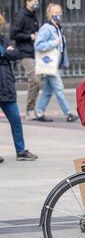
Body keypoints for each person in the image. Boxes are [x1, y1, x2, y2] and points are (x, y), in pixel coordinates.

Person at [0, 14, 38, 162]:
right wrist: (5, 52)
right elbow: (8, 53)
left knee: (16, 119)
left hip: (6, 85)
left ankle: (21, 151)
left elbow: (15, 53)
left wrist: (5, 52)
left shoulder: (4, 38)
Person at [34, 3, 79, 123]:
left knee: (48, 91)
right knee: (59, 89)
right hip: (50, 65)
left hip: (56, 65)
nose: (58, 15)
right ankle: (68, 113)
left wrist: (65, 62)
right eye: (55, 12)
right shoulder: (46, 28)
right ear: (49, 14)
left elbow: (62, 48)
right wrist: (54, 43)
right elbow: (38, 44)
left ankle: (39, 112)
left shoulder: (58, 27)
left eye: (59, 12)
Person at [10, 0, 40, 121]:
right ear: (27, 1)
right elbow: (13, 34)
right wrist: (30, 36)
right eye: (34, 1)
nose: (36, 3)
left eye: (37, 1)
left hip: (34, 51)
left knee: (37, 81)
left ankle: (35, 108)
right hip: (24, 52)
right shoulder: (21, 15)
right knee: (34, 79)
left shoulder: (33, 15)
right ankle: (29, 109)